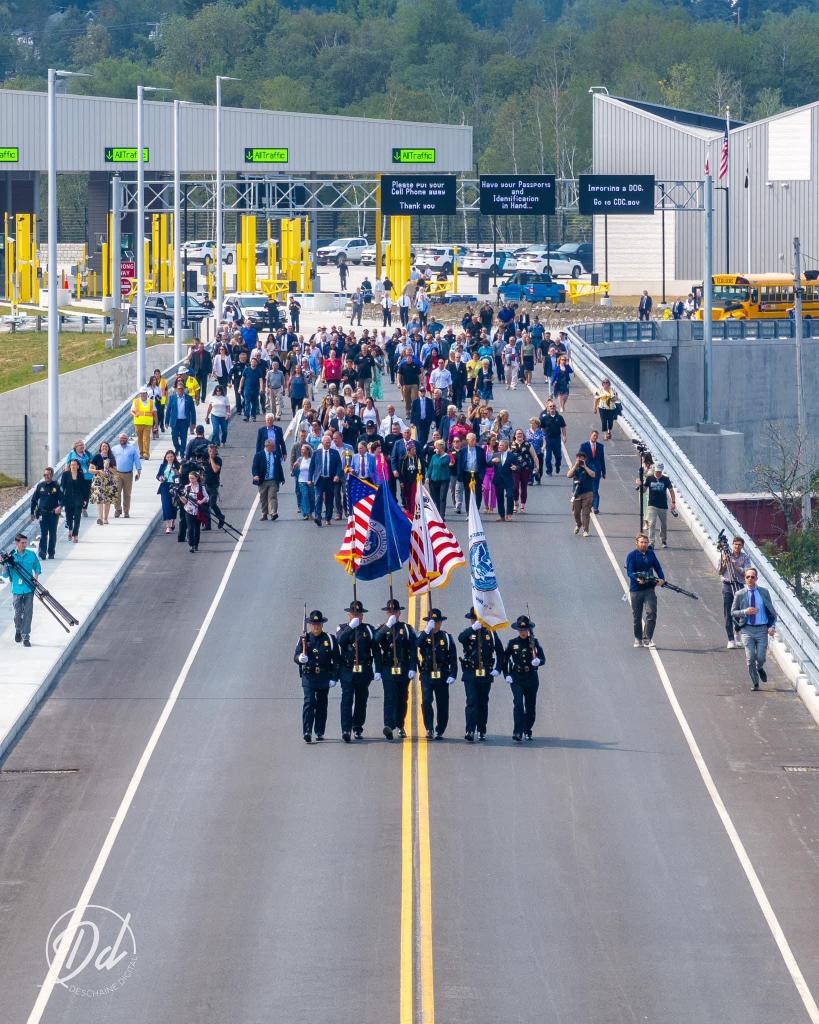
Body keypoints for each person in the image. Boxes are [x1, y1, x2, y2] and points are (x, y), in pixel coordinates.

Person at [374, 598, 418, 740]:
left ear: (399, 613)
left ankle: (400, 725)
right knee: (390, 696)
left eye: (395, 611)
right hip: (388, 667)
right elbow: (375, 641)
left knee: (402, 698)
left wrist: (413, 667)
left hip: (403, 667)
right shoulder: (383, 627)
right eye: (390, 611)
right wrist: (387, 626)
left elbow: (413, 649)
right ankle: (388, 725)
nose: (393, 614)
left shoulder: (406, 628)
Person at [458, 608, 505, 741]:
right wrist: (472, 629)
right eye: (472, 619)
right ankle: (470, 730)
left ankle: (481, 729)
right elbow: (460, 638)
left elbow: (500, 652)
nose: (474, 621)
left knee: (483, 702)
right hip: (470, 673)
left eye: (476, 619)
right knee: (471, 701)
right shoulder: (468, 633)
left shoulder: (490, 633)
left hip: (485, 673)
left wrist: (498, 668)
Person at [336, 599, 378, 742]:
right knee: (347, 700)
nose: (356, 616)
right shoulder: (341, 628)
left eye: (358, 614)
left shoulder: (368, 630)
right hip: (347, 670)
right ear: (349, 615)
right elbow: (340, 641)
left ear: (362, 616)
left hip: (364, 670)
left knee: (361, 700)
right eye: (353, 614)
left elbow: (376, 650)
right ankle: (346, 729)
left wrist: (377, 669)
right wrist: (350, 628)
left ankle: (357, 727)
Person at [295, 609, 340, 743]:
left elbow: (337, 660)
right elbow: (295, 655)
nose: (316, 627)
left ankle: (319, 731)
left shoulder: (330, 639)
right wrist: (300, 657)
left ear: (322, 625)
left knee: (321, 704)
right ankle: (307, 731)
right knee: (309, 702)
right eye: (314, 624)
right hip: (309, 677)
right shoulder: (304, 639)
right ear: (310, 625)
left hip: (324, 677)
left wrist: (334, 677)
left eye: (319, 624)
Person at [732, 567, 777, 690]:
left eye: (753, 577)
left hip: (762, 629)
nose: (750, 579)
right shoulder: (739, 594)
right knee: (750, 658)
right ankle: (755, 682)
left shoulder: (764, 592)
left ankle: (760, 667)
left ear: (756, 578)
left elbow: (772, 612)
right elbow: (733, 612)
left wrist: (772, 626)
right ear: (744, 578)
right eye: (748, 577)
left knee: (761, 657)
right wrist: (746, 611)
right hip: (747, 630)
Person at [417, 608, 457, 739]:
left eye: (438, 622)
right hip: (427, 674)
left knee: (442, 703)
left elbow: (453, 657)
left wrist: (453, 674)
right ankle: (429, 728)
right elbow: (415, 645)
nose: (436, 624)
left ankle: (440, 729)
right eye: (433, 622)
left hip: (442, 674)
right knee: (427, 701)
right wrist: (427, 630)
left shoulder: (446, 637)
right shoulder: (424, 635)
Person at [504, 614, 545, 742]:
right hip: (517, 678)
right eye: (520, 630)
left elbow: (543, 658)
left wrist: (538, 661)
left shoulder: (534, 642)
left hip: (531, 678)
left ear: (528, 630)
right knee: (518, 704)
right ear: (518, 630)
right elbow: (504, 660)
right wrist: (507, 675)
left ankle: (527, 730)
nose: (522, 632)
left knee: (530, 707)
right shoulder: (512, 643)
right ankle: (517, 732)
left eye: (525, 630)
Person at [626, 533, 666, 648]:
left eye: (646, 542)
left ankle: (647, 638)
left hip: (649, 588)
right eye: (642, 542)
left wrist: (662, 579)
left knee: (651, 613)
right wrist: (637, 579)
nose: (644, 544)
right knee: (637, 616)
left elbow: (658, 567)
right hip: (636, 590)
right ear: (637, 543)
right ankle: (638, 638)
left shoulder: (651, 554)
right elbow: (630, 572)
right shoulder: (632, 556)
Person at [3, 533, 41, 647]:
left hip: (29, 588)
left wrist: (36, 577)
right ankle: (18, 629)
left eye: (26, 542)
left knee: (28, 613)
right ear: (17, 543)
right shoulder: (11, 557)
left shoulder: (31, 554)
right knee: (18, 614)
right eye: (23, 543)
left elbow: (37, 567)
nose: (25, 545)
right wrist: (4, 564)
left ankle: (26, 637)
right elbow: (5, 575)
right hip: (17, 590)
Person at [719, 535, 752, 649]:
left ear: (742, 546)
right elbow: (720, 571)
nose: (737, 546)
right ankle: (730, 639)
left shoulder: (745, 558)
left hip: (739, 585)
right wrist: (724, 563)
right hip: (727, 585)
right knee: (728, 612)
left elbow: (746, 572)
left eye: (739, 545)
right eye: (735, 544)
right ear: (732, 545)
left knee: (738, 611)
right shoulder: (725, 555)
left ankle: (736, 634)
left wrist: (734, 564)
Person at [309, 434, 343, 527]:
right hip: (319, 479)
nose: (328, 444)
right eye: (326, 442)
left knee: (329, 499)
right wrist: (309, 479)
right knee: (318, 497)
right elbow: (312, 467)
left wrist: (337, 475)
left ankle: (328, 518)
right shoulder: (316, 453)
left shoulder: (335, 453)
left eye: (329, 442)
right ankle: (318, 517)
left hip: (330, 480)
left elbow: (339, 466)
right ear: (322, 443)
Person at [30, 467, 61, 559]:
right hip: (42, 514)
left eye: (48, 475)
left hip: (53, 514)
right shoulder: (40, 486)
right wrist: (32, 513)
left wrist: (60, 507)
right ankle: (42, 552)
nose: (46, 476)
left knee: (52, 533)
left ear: (52, 475)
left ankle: (51, 552)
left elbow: (62, 498)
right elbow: (34, 500)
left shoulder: (56, 485)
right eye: (44, 475)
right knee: (44, 533)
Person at [252, 437, 284, 522]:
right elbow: (254, 467)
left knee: (272, 496)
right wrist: (255, 475)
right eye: (272, 446)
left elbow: (279, 467)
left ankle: (273, 513)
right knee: (263, 498)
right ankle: (264, 514)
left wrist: (282, 478)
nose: (274, 448)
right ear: (267, 446)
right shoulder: (259, 455)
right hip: (262, 480)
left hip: (273, 480)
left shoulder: (275, 455)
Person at [111, 432, 142, 519]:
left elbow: (137, 460)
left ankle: (126, 511)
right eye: (121, 438)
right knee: (116, 493)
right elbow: (110, 461)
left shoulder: (132, 449)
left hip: (128, 474)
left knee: (127, 494)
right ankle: (118, 510)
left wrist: (138, 471)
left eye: (124, 438)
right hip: (117, 473)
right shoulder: (114, 449)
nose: (122, 439)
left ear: (127, 439)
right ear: (119, 439)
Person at [646, 463, 677, 549]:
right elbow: (644, 490)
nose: (658, 473)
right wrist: (640, 484)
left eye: (659, 471)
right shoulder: (650, 478)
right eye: (657, 471)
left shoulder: (666, 479)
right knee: (651, 523)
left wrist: (673, 502)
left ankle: (663, 540)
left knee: (663, 524)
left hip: (663, 505)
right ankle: (651, 543)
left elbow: (671, 490)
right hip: (652, 505)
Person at [567, 449, 595, 536]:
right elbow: (568, 475)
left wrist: (585, 467)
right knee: (576, 513)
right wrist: (575, 465)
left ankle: (586, 530)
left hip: (587, 493)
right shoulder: (574, 467)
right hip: (577, 494)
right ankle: (579, 524)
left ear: (585, 459)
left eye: (582, 459)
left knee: (586, 513)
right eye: (578, 458)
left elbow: (593, 475)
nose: (580, 460)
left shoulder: (589, 465)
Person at [456, 432, 486, 513]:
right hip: (467, 474)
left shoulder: (480, 450)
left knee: (478, 493)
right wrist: (459, 476)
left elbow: (483, 464)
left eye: (475, 439)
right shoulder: (462, 451)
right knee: (468, 494)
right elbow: (459, 464)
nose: (474, 441)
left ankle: (476, 510)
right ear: (467, 440)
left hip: (477, 474)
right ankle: (469, 513)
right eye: (472, 440)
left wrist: (482, 475)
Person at [166, 378, 197, 457]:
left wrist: (193, 423)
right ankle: (178, 448)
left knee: (184, 438)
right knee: (174, 438)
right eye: (179, 388)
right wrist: (166, 421)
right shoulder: (172, 398)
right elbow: (168, 410)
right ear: (176, 389)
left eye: (182, 388)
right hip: (175, 421)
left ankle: (182, 452)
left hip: (184, 421)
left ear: (184, 389)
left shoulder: (188, 398)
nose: (180, 390)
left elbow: (193, 411)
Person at [89, 441, 117, 526]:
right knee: (99, 499)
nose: (104, 448)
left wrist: (109, 467)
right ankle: (100, 518)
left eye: (106, 446)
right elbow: (90, 470)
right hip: (98, 480)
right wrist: (98, 471)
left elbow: (115, 471)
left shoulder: (111, 458)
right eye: (103, 446)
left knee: (108, 499)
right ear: (100, 448)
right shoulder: (97, 457)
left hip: (109, 480)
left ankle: (105, 518)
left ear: (108, 448)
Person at [180, 469, 208, 552]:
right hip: (189, 511)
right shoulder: (187, 488)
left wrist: (201, 501)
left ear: (196, 478)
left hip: (198, 511)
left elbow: (207, 497)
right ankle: (191, 545)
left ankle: (196, 544)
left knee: (197, 529)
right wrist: (180, 497)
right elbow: (185, 501)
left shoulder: (201, 487)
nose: (191, 480)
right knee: (190, 528)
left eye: (192, 478)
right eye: (190, 478)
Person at [579, 429, 606, 514]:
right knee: (587, 489)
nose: (595, 437)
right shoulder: (584, 446)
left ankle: (595, 507)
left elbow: (602, 460)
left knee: (595, 489)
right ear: (590, 435)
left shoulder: (600, 446)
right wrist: (580, 468)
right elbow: (580, 458)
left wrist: (603, 471)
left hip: (597, 471)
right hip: (587, 470)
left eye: (597, 436)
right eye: (594, 435)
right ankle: (588, 505)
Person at [490, 439, 518, 522]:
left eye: (501, 445)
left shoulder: (512, 456)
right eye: (499, 445)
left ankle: (509, 514)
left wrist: (515, 468)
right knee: (500, 498)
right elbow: (488, 463)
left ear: (506, 447)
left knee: (509, 495)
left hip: (508, 479)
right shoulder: (495, 454)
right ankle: (501, 515)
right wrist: (492, 461)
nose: (499, 446)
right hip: (498, 479)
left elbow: (518, 465)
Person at [538, 399, 566, 477]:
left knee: (558, 455)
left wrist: (564, 436)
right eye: (550, 406)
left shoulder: (559, 417)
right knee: (548, 456)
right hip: (548, 439)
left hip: (557, 439)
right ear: (547, 408)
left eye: (554, 406)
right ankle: (549, 470)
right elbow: (542, 429)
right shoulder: (544, 418)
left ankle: (557, 465)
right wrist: (542, 438)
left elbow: (563, 427)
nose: (552, 407)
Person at [426, 439, 452, 520]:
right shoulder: (434, 456)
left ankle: (442, 515)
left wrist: (439, 454)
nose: (435, 448)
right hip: (434, 480)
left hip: (444, 480)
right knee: (435, 498)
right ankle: (436, 514)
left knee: (442, 498)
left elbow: (442, 463)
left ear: (441, 447)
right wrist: (427, 477)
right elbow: (430, 467)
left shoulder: (447, 456)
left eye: (436, 446)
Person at [156, 450, 180, 534]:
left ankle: (172, 521)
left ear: (174, 457)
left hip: (174, 486)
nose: (170, 458)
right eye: (168, 457)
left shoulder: (177, 465)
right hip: (165, 486)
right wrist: (160, 478)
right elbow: (158, 475)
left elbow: (180, 476)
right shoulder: (163, 465)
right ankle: (168, 526)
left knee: (174, 505)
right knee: (166, 505)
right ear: (165, 458)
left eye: (171, 457)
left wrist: (175, 471)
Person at [131, 386, 156, 460]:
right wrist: (134, 414)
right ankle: (141, 453)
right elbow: (132, 411)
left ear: (146, 394)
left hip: (148, 424)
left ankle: (146, 454)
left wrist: (156, 424)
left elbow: (154, 413)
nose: (143, 395)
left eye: (144, 394)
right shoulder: (136, 401)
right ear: (140, 394)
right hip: (138, 423)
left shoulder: (151, 402)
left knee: (146, 438)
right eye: (141, 394)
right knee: (140, 439)